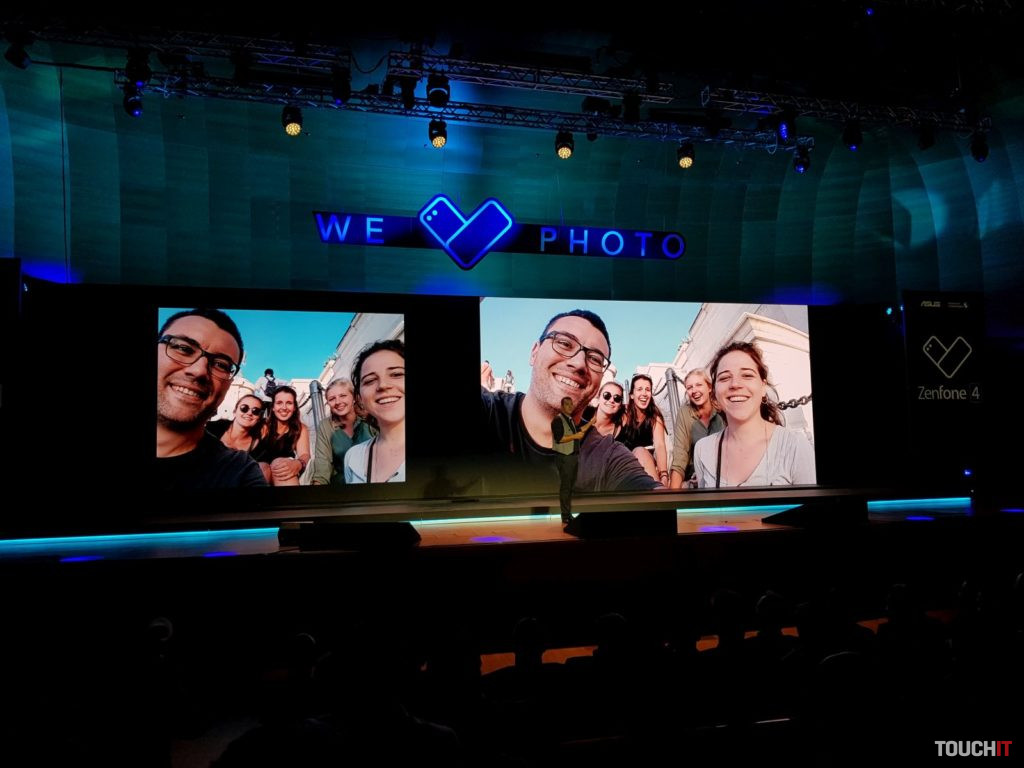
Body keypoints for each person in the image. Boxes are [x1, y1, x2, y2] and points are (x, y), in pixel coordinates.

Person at [480, 309, 660, 492]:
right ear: (534, 352)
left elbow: (651, 495)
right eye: (564, 344)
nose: (579, 363)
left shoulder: (609, 456)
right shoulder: (488, 411)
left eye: (595, 359)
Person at [156, 308, 267, 490]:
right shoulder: (219, 427)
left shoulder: (240, 471)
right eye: (184, 349)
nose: (199, 370)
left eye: (220, 365)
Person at [693, 342, 816, 488]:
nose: (735, 384)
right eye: (724, 378)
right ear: (714, 393)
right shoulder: (702, 450)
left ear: (763, 387)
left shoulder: (795, 446)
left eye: (747, 375)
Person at [345, 339, 406, 484]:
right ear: (360, 398)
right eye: (369, 380)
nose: (383, 385)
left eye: (396, 374)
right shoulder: (353, 458)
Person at [310, 377, 373, 485]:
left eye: (343, 396)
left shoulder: (371, 418)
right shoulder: (325, 426)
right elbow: (323, 462)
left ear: (354, 398)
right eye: (332, 399)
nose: (338, 402)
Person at [669, 368, 726, 488]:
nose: (694, 390)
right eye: (689, 387)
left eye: (699, 385)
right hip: (695, 475)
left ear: (709, 387)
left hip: (725, 471)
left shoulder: (723, 408)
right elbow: (680, 454)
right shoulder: (684, 413)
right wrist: (673, 494)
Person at [252, 386, 311, 486]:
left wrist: (298, 463)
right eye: (279, 403)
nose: (284, 407)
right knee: (262, 467)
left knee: (280, 464)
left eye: (289, 403)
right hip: (260, 472)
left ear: (294, 407)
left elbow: (304, 454)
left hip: (284, 471)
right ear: (273, 407)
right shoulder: (262, 425)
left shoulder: (300, 428)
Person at [617, 374, 669, 484]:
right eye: (639, 389)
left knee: (640, 451)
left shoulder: (654, 418)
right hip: (622, 467)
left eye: (648, 390)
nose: (644, 393)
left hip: (645, 465)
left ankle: (658, 491)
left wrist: (664, 474)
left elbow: (660, 445)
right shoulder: (623, 413)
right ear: (632, 395)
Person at [551, 396, 595, 522]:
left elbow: (579, 431)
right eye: (567, 404)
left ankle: (567, 514)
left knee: (569, 486)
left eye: (571, 404)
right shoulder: (558, 420)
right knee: (566, 487)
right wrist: (575, 436)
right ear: (562, 406)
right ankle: (565, 516)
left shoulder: (569, 420)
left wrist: (591, 423)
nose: (570, 407)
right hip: (565, 457)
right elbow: (559, 438)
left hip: (573, 456)